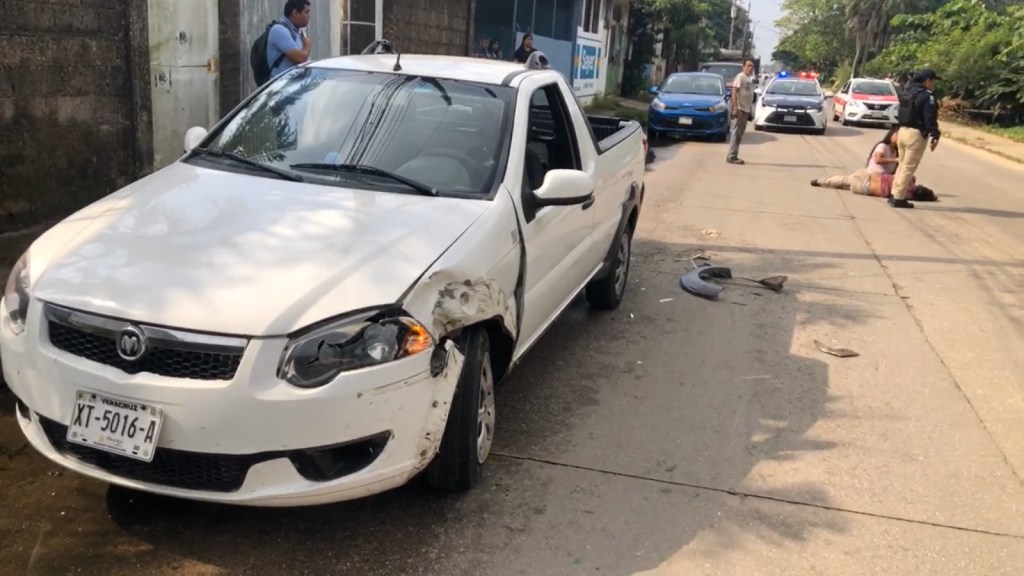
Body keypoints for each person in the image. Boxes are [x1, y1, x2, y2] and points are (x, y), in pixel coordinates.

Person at [810, 127, 937, 202]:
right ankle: (822, 181)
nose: (899, 138)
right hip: (869, 177)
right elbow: (878, 160)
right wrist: (896, 161)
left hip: (873, 178)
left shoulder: (897, 152)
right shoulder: (883, 146)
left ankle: (822, 181)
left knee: (846, 182)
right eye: (897, 134)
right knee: (845, 182)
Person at [891, 69, 941, 209]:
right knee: (908, 167)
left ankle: (894, 193)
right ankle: (899, 198)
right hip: (915, 135)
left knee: (901, 165)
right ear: (928, 81)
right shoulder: (927, 96)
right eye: (933, 80)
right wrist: (935, 134)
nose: (934, 84)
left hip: (902, 131)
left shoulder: (908, 92)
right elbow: (929, 117)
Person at [267, 0, 312, 79]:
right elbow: (299, 58)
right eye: (306, 12)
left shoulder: (296, 31)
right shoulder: (279, 30)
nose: (309, 16)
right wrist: (307, 45)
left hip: (295, 85)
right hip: (281, 86)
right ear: (295, 13)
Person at [726, 59, 756, 165]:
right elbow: (734, 91)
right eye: (748, 66)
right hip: (740, 108)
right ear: (743, 66)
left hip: (746, 109)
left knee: (740, 133)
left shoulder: (749, 78)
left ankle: (734, 154)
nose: (750, 68)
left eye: (752, 66)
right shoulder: (741, 76)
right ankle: (731, 156)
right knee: (736, 132)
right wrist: (735, 108)